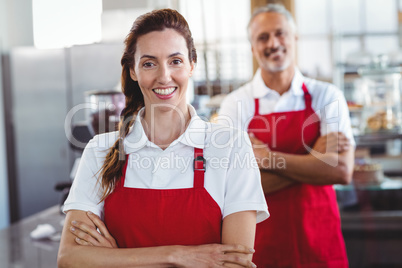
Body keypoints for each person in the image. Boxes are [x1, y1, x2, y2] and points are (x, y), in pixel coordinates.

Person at [57, 8, 269, 268]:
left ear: (192, 65)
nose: (164, 76)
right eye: (149, 63)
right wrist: (177, 256)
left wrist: (115, 259)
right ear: (133, 71)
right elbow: (69, 259)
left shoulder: (231, 147)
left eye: (175, 61)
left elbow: (236, 263)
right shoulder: (100, 150)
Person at [218, 4, 354, 268]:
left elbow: (340, 171)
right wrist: (312, 160)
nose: (273, 43)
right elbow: (230, 187)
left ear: (295, 38)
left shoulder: (327, 96)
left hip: (320, 242)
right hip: (262, 245)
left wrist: (266, 160)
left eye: (280, 33)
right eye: (263, 37)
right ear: (252, 47)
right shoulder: (235, 104)